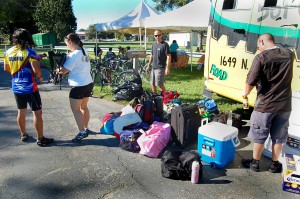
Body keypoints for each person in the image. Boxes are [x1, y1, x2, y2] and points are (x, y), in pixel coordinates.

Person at [241, 33, 293, 173]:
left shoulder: (261, 57)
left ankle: (255, 163)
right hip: (284, 104)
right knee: (279, 136)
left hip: (265, 104)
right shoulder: (289, 54)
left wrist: (245, 93)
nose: (258, 48)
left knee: (260, 135)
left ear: (262, 41)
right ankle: (274, 165)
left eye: (258, 45)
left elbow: (251, 80)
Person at [3, 28, 54, 147]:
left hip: (16, 86)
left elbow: (6, 69)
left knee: (21, 111)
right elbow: (37, 71)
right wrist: (40, 77)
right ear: (27, 38)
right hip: (30, 87)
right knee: (37, 113)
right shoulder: (30, 52)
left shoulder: (8, 52)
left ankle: (23, 134)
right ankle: (40, 138)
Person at [56, 33, 94, 143]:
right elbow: (78, 60)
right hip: (88, 83)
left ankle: (82, 132)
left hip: (78, 86)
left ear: (70, 42)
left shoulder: (73, 55)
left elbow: (64, 70)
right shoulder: (84, 51)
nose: (67, 46)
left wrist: (57, 71)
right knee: (84, 107)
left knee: (76, 110)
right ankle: (86, 128)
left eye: (67, 44)